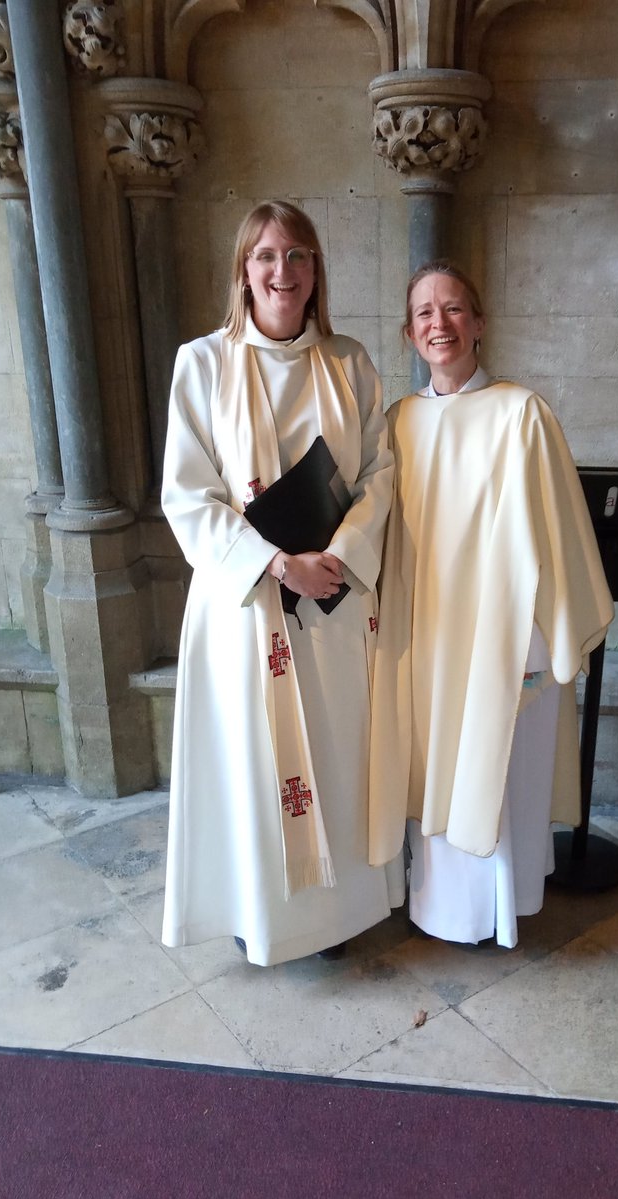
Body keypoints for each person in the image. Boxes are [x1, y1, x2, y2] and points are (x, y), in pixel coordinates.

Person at [161, 201, 402, 967]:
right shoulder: (203, 363)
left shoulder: (349, 362)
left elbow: (381, 473)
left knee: (335, 752)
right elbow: (187, 494)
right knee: (256, 763)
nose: (282, 271)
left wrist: (344, 552)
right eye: (266, 255)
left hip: (331, 599)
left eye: (298, 255)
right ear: (244, 270)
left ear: (315, 270)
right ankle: (261, 915)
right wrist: (273, 562)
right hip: (247, 604)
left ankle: (336, 917)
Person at [369, 261, 614, 949]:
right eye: (423, 313)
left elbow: (558, 530)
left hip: (501, 634)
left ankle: (495, 912)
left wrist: (544, 636)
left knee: (493, 769)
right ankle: (437, 907)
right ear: (409, 334)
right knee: (429, 764)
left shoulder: (521, 413)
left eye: (453, 309)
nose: (438, 324)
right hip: (424, 635)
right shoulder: (398, 423)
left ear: (479, 323)